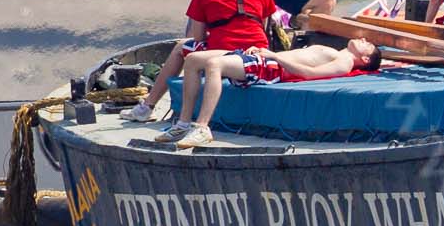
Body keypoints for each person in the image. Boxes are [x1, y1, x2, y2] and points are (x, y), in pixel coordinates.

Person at [125, 0, 277, 124]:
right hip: (257, 55)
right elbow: (263, 26)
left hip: (225, 52)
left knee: (182, 47)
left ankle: (148, 107)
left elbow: (195, 37)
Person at [163, 38, 385, 149]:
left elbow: (309, 73)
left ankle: (202, 127)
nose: (364, 40)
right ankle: (183, 123)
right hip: (265, 58)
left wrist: (274, 56)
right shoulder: (338, 52)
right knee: (192, 60)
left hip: (271, 67)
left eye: (368, 45)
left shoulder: (344, 62)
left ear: (365, 59)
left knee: (214, 64)